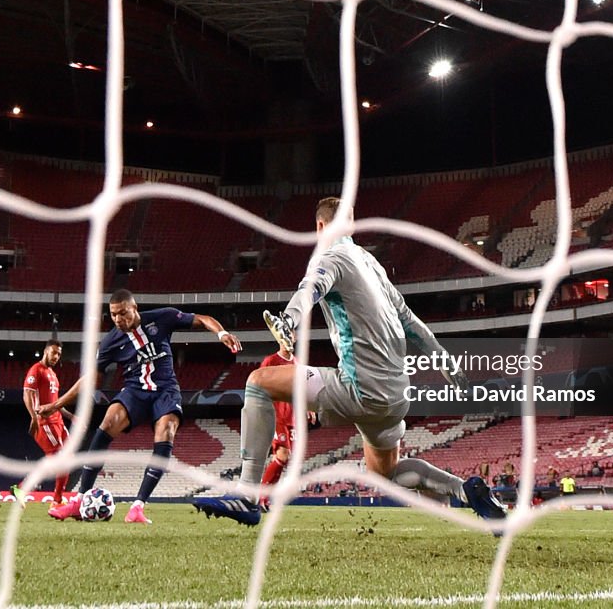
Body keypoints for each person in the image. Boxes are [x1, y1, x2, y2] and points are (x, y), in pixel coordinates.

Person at [193, 197, 505, 526]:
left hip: (360, 388)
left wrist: (288, 321)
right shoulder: (370, 262)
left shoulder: (330, 257)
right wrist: (444, 360)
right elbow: (409, 320)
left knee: (258, 382)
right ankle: (466, 491)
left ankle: (245, 495)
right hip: (398, 393)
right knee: (385, 474)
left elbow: (310, 288)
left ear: (319, 226)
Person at [43, 289, 241, 524]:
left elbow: (202, 318)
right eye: (113, 315)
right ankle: (78, 500)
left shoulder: (163, 317)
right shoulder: (110, 342)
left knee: (167, 429)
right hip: (135, 391)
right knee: (108, 421)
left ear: (134, 308)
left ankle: (138, 506)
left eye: (122, 313)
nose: (118, 319)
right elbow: (90, 379)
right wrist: (57, 404)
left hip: (166, 390)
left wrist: (222, 333)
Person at [10, 340, 75, 511]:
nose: (56, 356)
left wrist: (71, 416)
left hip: (58, 421)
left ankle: (28, 491)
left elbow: (56, 403)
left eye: (59, 354)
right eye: (54, 352)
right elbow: (27, 394)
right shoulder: (36, 370)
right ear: (46, 351)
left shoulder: (53, 374)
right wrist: (33, 417)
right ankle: (56, 500)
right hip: (44, 422)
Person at [256, 344, 316, 510]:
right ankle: (261, 496)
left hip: (293, 417)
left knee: (285, 459)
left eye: (292, 333)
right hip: (276, 415)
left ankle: (264, 498)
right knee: (283, 455)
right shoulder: (271, 361)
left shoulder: (297, 363)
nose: (290, 337)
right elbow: (258, 384)